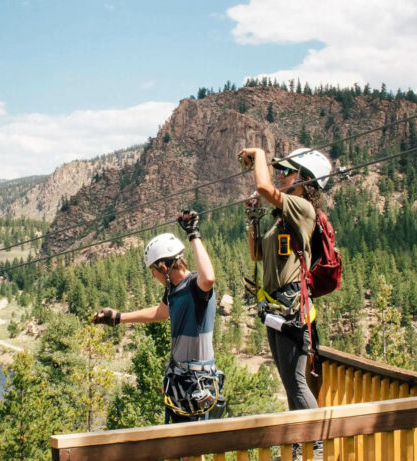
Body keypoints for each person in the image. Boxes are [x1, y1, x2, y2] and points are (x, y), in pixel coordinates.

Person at [93, 211, 224, 426]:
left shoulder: (195, 287)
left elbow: (209, 277)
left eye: (153, 271)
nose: (153, 276)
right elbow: (161, 312)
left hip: (196, 383)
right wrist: (119, 317)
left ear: (163, 267)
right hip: (181, 382)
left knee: (191, 451)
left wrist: (193, 233)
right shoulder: (173, 291)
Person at [239, 147, 331, 454]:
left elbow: (264, 187)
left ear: (305, 180)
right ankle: (297, 450)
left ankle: (315, 451)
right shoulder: (282, 219)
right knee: (289, 384)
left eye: (287, 172)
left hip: (291, 308)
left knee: (296, 383)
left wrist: (260, 154)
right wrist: (253, 218)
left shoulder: (303, 210)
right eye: (280, 171)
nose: (281, 175)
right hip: (276, 309)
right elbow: (257, 254)